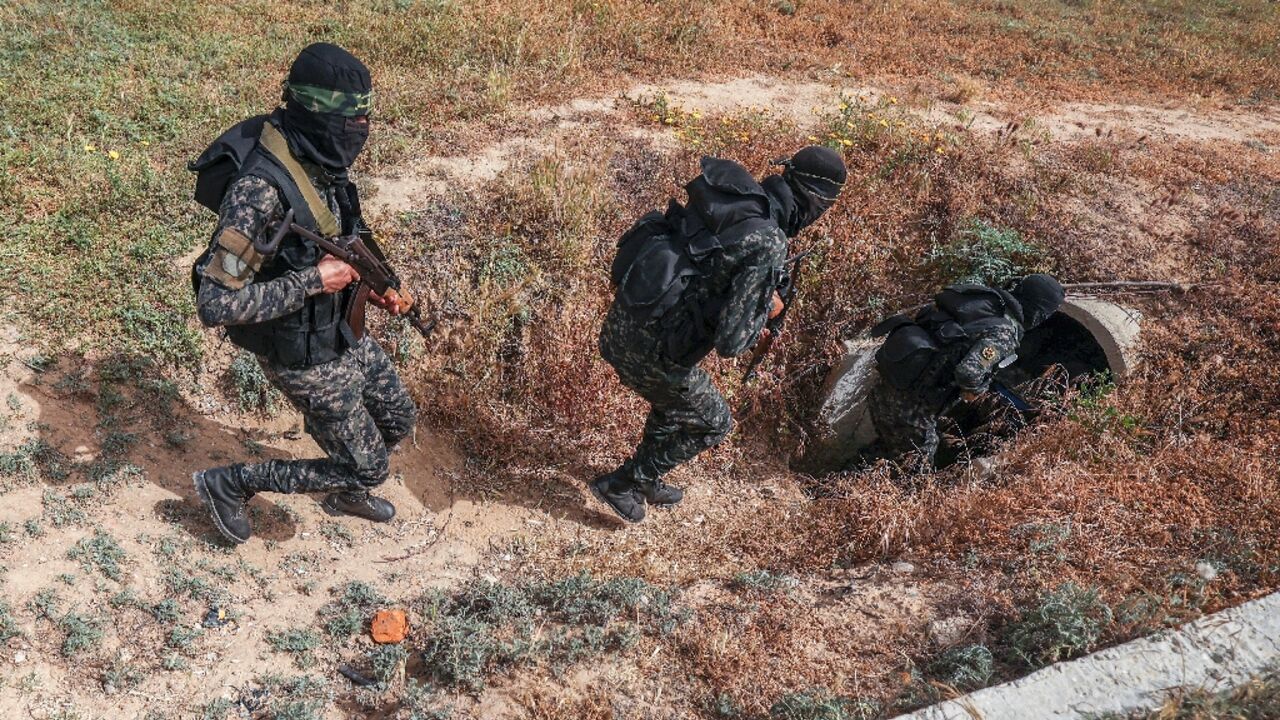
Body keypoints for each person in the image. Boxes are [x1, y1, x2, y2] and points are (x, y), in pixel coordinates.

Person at [189, 43, 417, 545]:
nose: (359, 132)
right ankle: (231, 483)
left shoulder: (316, 157)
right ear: (313, 113)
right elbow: (215, 304)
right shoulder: (258, 193)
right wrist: (315, 281)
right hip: (301, 354)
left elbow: (343, 231)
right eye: (348, 121)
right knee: (368, 467)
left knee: (398, 419)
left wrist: (379, 282)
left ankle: (345, 473)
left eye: (364, 118)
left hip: (340, 330)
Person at [593, 147, 847, 522]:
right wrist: (767, 309)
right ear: (816, 201)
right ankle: (625, 483)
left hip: (624, 323)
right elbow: (732, 344)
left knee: (675, 405)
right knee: (714, 422)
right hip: (651, 352)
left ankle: (650, 475)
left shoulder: (738, 199)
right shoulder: (769, 241)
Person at [867, 274, 1066, 469]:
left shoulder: (984, 305)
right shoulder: (1005, 332)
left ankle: (851, 474)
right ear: (1039, 313)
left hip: (887, 386)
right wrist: (976, 391)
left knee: (887, 449)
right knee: (915, 474)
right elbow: (968, 373)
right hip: (912, 409)